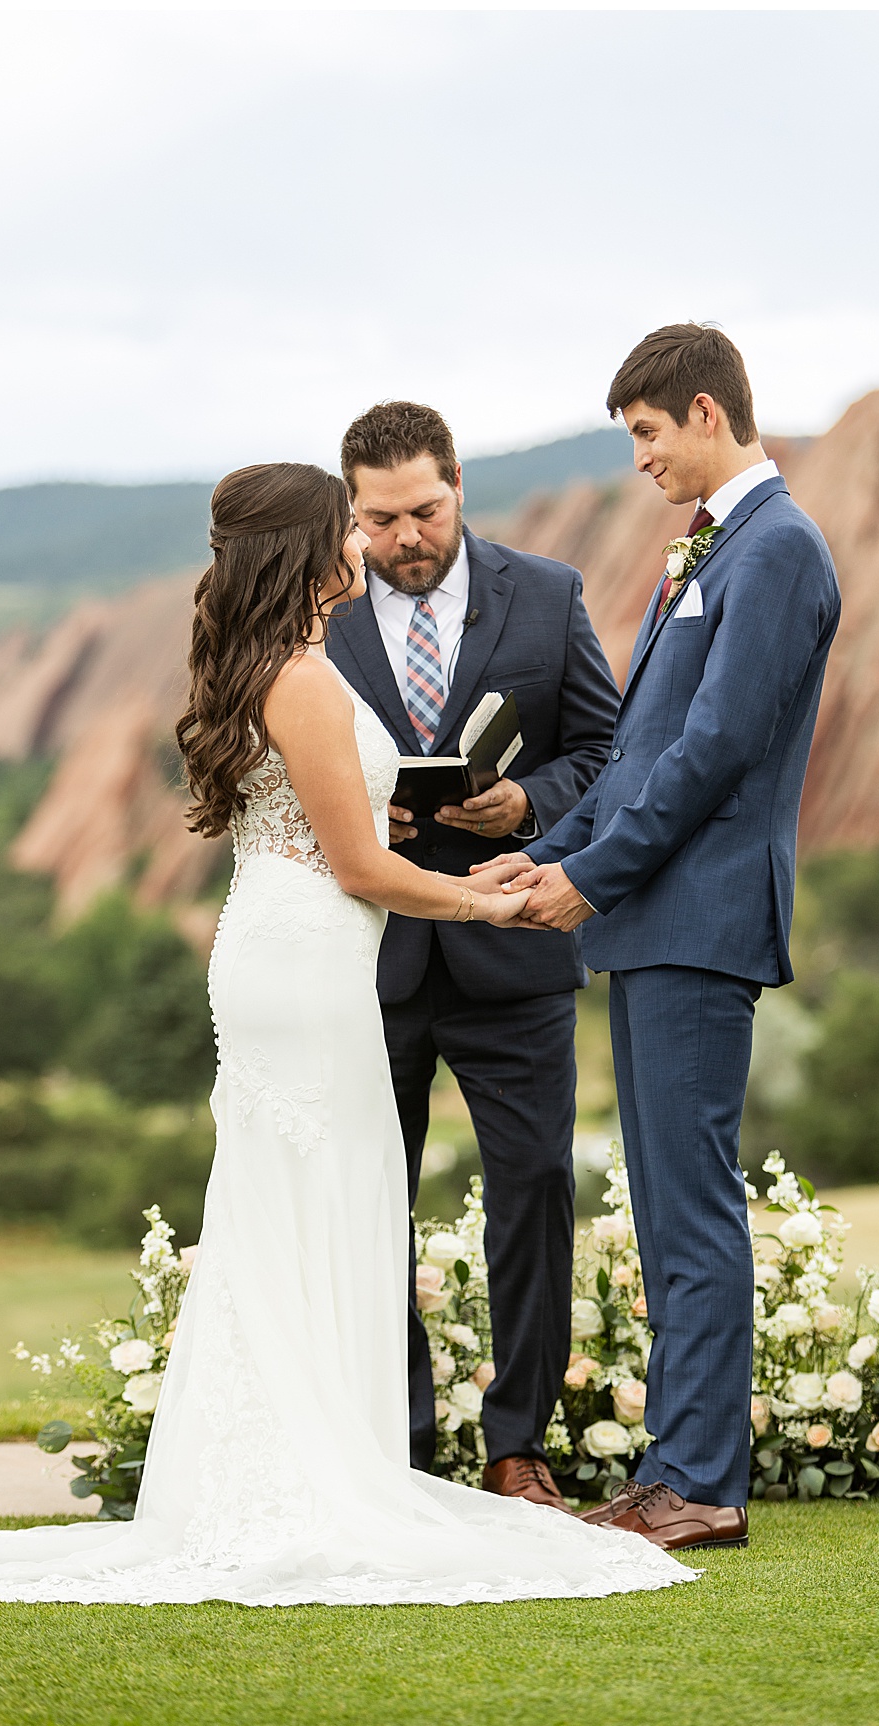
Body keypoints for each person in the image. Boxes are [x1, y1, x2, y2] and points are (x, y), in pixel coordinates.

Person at [0, 461, 694, 1607]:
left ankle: (289, 1462)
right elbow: (361, 864)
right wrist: (498, 898)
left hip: (286, 943)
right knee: (323, 1195)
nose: (368, 542)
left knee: (292, 1200)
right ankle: (316, 1474)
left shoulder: (272, 666)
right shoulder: (305, 679)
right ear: (315, 548)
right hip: (311, 956)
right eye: (349, 526)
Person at [478, 324, 842, 1552]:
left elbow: (717, 753)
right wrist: (553, 846)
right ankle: (671, 1469)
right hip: (653, 918)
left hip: (699, 921)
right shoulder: (719, 547)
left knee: (692, 1204)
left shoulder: (779, 546)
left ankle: (700, 1484)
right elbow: (640, 754)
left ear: (702, 410)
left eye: (645, 434)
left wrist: (589, 879)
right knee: (669, 1198)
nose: (638, 459)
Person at [326, 402, 619, 1503]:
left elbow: (606, 748)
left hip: (515, 950)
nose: (404, 536)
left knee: (535, 1185)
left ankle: (517, 1445)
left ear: (459, 485)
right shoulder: (325, 608)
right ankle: (394, 1443)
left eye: (425, 509)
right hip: (370, 959)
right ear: (350, 510)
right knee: (366, 1196)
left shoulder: (547, 593)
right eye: (380, 517)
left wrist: (525, 801)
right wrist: (362, 819)